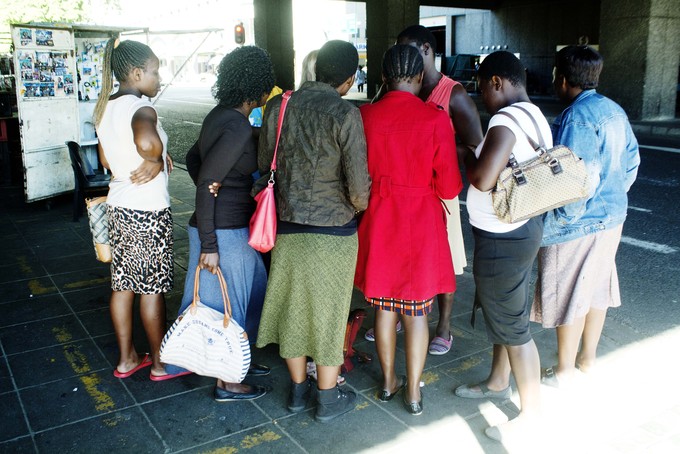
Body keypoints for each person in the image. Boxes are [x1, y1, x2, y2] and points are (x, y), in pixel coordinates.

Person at [255, 40, 371, 423]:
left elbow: (264, 162)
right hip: (334, 233)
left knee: (291, 308)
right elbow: (358, 189)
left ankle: (297, 392)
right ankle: (327, 398)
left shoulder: (278, 106)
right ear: (350, 78)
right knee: (328, 314)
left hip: (285, 228)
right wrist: (356, 207)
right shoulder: (345, 114)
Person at [355, 44, 462, 416]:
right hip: (419, 222)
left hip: (380, 219)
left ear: (383, 77)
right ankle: (414, 392)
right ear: (419, 78)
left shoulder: (365, 116)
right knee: (416, 313)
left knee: (383, 309)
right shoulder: (434, 119)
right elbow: (449, 188)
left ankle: (387, 382)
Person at [363, 25, 483, 354]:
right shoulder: (426, 116)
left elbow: (475, 144)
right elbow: (447, 181)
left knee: (422, 269)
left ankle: (442, 327)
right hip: (425, 199)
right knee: (426, 273)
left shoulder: (451, 94)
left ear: (426, 53)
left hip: (399, 204)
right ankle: (413, 389)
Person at [166, 46, 276, 400]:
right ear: (258, 87)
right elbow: (205, 180)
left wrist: (221, 185)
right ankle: (228, 381)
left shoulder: (219, 115)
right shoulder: (239, 127)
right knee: (229, 304)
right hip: (222, 233)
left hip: (221, 226)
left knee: (249, 294)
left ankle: (236, 360)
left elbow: (192, 157)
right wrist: (210, 245)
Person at [453, 51, 548, 441]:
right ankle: (497, 381)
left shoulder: (506, 120)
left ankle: (531, 414)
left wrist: (465, 154)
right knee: (503, 313)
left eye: (481, 87)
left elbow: (483, 179)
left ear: (497, 82)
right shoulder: (534, 114)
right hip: (519, 231)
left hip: (504, 240)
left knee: (513, 327)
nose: (480, 95)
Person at [531, 45, 640, 387]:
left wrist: (563, 220)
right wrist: (612, 196)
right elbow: (632, 162)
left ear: (563, 80)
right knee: (596, 290)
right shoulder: (613, 110)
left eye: (554, 76)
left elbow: (577, 179)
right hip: (612, 218)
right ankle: (587, 360)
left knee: (569, 292)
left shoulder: (576, 118)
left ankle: (563, 370)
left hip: (580, 222)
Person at [93, 38, 174, 380]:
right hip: (149, 211)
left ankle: (127, 359)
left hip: (119, 207)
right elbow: (146, 142)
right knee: (152, 289)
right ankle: (158, 363)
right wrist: (155, 157)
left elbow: (105, 159)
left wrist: (157, 158)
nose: (159, 78)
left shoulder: (104, 108)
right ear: (137, 72)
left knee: (123, 285)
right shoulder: (141, 108)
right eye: (155, 72)